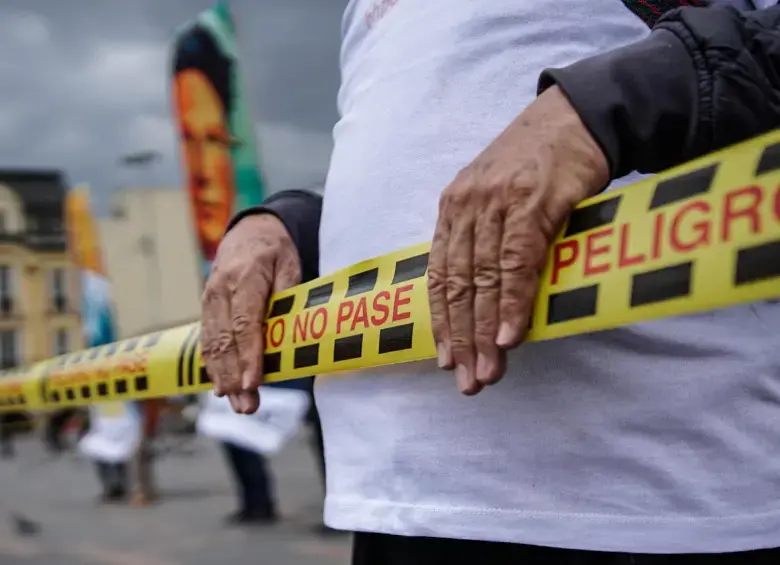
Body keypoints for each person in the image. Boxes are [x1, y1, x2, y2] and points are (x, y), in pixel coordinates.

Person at [203, 1, 780, 562]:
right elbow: (412, 173)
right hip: (397, 503)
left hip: (653, 502)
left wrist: (609, 102)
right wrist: (293, 226)